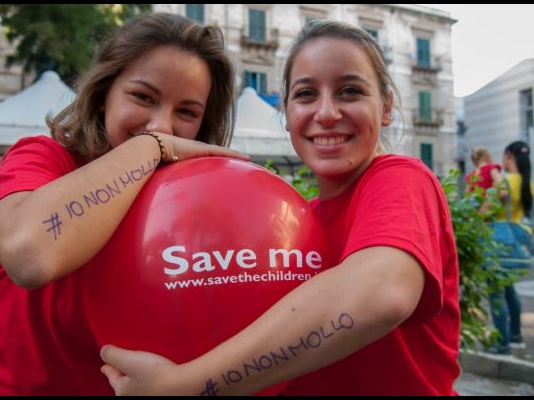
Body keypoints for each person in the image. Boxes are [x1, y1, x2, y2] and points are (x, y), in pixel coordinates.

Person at [100, 20, 461, 396]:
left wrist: (185, 387)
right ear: (286, 113)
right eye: (305, 94)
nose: (325, 113)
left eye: (350, 91)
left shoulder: (400, 178)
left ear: (385, 107)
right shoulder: (297, 219)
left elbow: (382, 294)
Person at [0, 12, 248, 396]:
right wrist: (152, 147)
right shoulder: (41, 159)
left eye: (187, 112)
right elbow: (30, 254)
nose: (162, 124)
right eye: (143, 97)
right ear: (104, 93)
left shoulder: (192, 203)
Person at [485, 140, 534, 355]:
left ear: (507, 156)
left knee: (496, 293)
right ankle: (515, 334)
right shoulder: (527, 183)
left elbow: (485, 209)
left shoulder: (505, 182)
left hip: (498, 242)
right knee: (509, 289)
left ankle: (502, 343)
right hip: (515, 242)